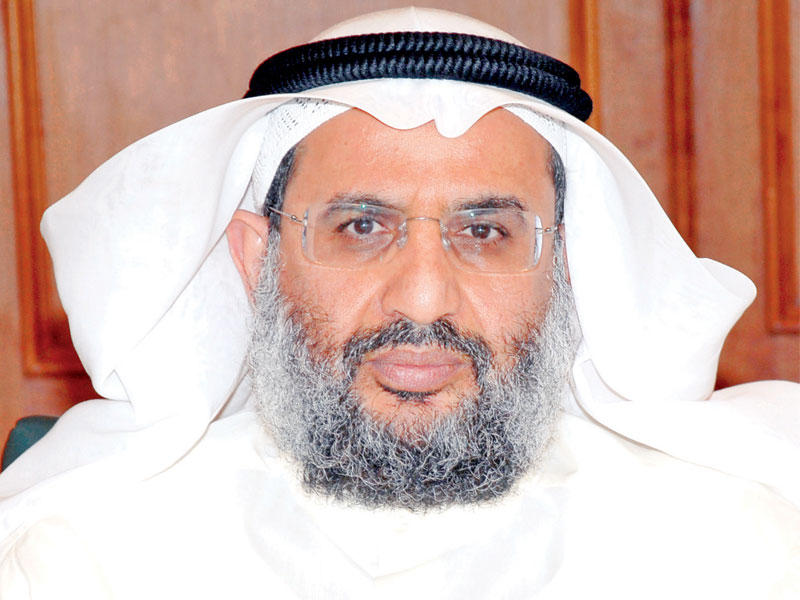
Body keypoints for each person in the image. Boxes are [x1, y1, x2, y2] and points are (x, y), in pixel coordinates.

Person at [0, 7, 797, 598]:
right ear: (258, 259)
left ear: (565, 266)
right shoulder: (84, 559)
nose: (422, 298)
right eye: (360, 226)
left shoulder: (730, 550)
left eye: (484, 231)